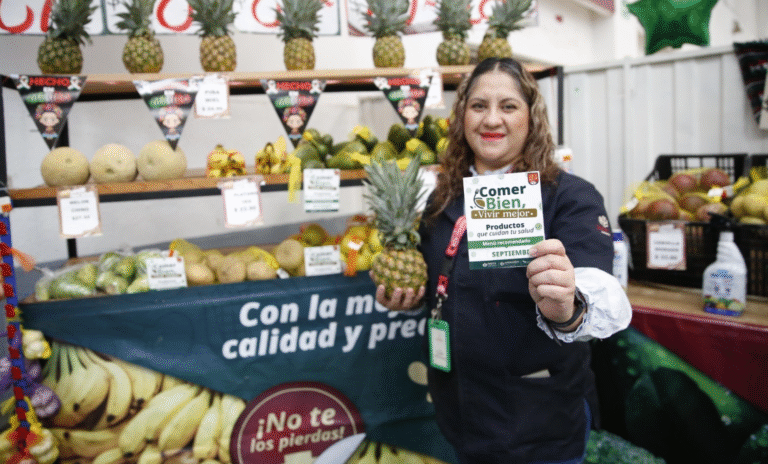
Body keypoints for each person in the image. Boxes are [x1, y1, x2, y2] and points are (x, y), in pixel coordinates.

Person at [373, 57, 632, 463]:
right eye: (479, 106)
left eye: (508, 106)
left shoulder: (570, 197)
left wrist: (567, 307)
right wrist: (407, 296)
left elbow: (598, 289)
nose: (491, 119)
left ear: (532, 118)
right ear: (462, 117)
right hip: (461, 415)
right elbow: (440, 283)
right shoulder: (443, 200)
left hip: (540, 423)